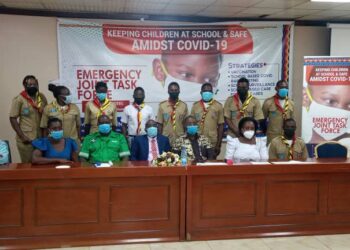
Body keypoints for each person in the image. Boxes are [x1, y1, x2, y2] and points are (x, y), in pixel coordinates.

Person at [9, 75, 48, 163]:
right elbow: (13, 118)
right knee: (28, 165)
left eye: (35, 84)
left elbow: (46, 114)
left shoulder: (41, 97)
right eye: (30, 85)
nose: (33, 86)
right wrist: (22, 136)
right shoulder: (19, 99)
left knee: (42, 163)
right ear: (24, 86)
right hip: (27, 139)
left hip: (41, 137)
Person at [191, 83, 224, 157]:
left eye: (209, 91)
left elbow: (221, 126)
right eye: (205, 91)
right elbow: (191, 125)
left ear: (212, 93)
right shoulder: (195, 106)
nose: (207, 93)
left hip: (212, 141)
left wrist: (218, 145)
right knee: (198, 164)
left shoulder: (218, 106)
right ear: (201, 92)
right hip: (198, 142)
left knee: (211, 165)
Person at [262, 80, 294, 144]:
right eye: (281, 87)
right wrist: (265, 131)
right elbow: (262, 119)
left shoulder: (291, 103)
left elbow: (292, 121)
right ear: (276, 88)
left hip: (286, 136)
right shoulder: (268, 102)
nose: (284, 89)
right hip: (272, 137)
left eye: (286, 88)